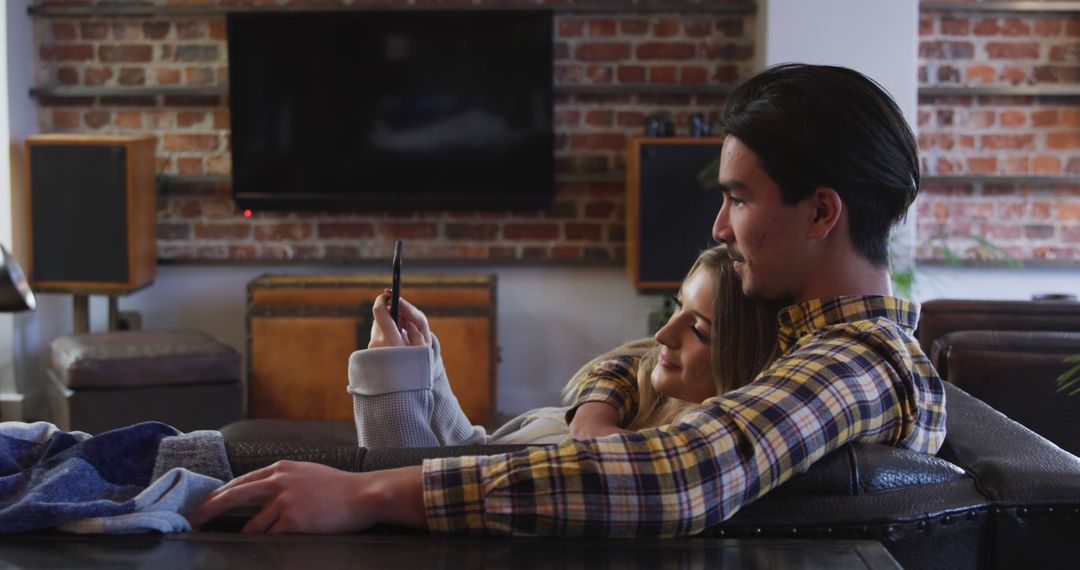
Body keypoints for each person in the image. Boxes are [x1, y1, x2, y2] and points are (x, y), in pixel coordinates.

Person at [187, 63, 947, 536]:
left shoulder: (859, 363)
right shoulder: (791, 329)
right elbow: (633, 358)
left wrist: (373, 495)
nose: (720, 225)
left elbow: (683, 477)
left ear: (821, 213)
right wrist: (598, 414)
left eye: (740, 199)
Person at [349, 247, 784, 449]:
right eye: (676, 307)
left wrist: (390, 375)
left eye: (701, 332)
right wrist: (424, 365)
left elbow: (410, 485)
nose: (664, 334)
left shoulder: (647, 455)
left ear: (742, 362)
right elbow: (475, 452)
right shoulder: (642, 402)